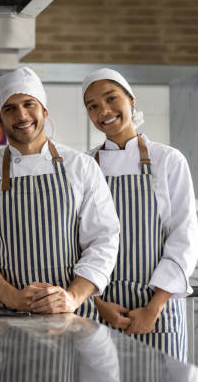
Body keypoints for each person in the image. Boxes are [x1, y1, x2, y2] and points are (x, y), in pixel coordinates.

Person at [0, 67, 120, 319]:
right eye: (9, 108)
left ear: (44, 110)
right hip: (4, 317)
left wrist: (71, 297)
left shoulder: (81, 166)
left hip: (71, 316)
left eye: (28, 104)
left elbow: (103, 240)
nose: (21, 115)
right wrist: (13, 297)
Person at [82, 68, 198, 360]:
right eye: (93, 106)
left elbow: (183, 237)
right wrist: (97, 303)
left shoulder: (169, 160)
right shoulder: (84, 166)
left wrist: (153, 307)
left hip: (157, 310)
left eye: (111, 99)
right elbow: (74, 241)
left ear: (131, 100)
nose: (103, 111)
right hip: (101, 309)